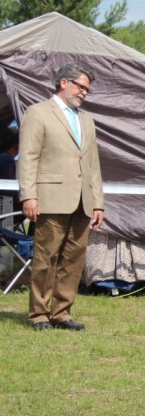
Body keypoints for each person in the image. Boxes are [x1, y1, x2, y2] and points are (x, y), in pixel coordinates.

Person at [17, 63, 104, 331]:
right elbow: (28, 158)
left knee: (73, 260)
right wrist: (28, 196)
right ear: (63, 82)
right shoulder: (38, 113)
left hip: (82, 202)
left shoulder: (86, 120)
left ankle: (62, 313)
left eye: (87, 89)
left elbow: (93, 165)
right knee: (46, 258)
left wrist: (98, 202)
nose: (84, 93)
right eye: (81, 86)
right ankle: (39, 314)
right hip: (49, 199)